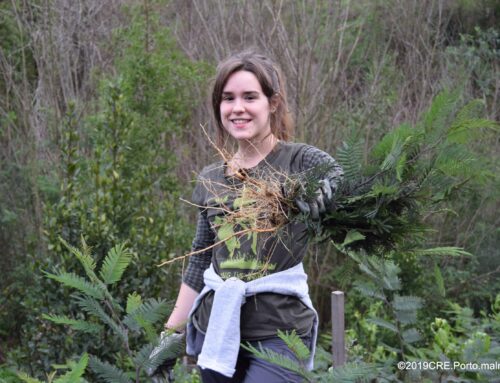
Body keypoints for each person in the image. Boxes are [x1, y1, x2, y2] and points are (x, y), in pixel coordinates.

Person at [162, 51, 343, 383]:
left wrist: (329, 185)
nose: (237, 108)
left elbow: (334, 171)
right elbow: (200, 263)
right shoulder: (210, 178)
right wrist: (170, 335)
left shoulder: (298, 161)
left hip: (281, 334)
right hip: (216, 331)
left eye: (250, 97)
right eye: (228, 98)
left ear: (272, 103)